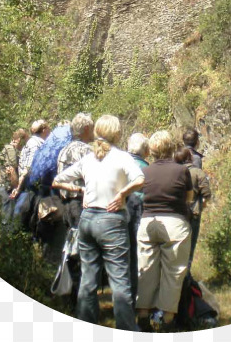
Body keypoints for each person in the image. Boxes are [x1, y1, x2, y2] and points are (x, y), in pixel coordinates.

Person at [52, 115, 144, 331]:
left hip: (87, 221)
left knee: (88, 279)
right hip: (111, 221)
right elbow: (140, 179)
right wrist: (122, 194)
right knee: (120, 281)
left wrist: (80, 190)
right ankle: (126, 328)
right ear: (116, 134)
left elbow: (57, 181)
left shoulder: (88, 159)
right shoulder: (121, 157)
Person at [135, 131, 193, 331]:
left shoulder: (145, 171)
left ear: (151, 150)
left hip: (148, 222)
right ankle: (167, 320)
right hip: (175, 223)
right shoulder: (181, 171)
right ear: (171, 147)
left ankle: (142, 316)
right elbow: (189, 197)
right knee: (173, 272)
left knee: (146, 269)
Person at [54, 113, 94, 312]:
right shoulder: (87, 151)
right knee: (82, 249)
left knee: (69, 248)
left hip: (65, 205)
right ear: (86, 129)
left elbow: (59, 179)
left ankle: (69, 293)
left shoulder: (63, 151)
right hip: (81, 204)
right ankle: (82, 298)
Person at [175, 147, 211, 270]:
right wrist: (202, 205)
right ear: (190, 158)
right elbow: (206, 193)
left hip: (177, 215)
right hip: (194, 213)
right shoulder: (197, 172)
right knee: (190, 247)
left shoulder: (174, 173)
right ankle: (187, 276)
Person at [125, 133, 150, 309]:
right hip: (137, 212)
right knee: (135, 254)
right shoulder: (145, 168)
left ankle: (121, 298)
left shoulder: (118, 162)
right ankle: (134, 298)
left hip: (116, 211)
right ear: (145, 150)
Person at [11, 119, 51, 200]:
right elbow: (28, 168)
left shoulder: (33, 142)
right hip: (34, 189)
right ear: (44, 130)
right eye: (48, 128)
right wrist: (18, 188)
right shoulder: (35, 144)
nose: (50, 130)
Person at [0, 128, 28, 224]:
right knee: (8, 218)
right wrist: (16, 187)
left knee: (7, 215)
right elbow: (11, 169)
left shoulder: (7, 149)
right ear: (18, 140)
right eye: (23, 142)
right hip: (7, 187)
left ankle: (7, 235)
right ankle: (8, 236)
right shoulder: (11, 150)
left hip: (4, 186)